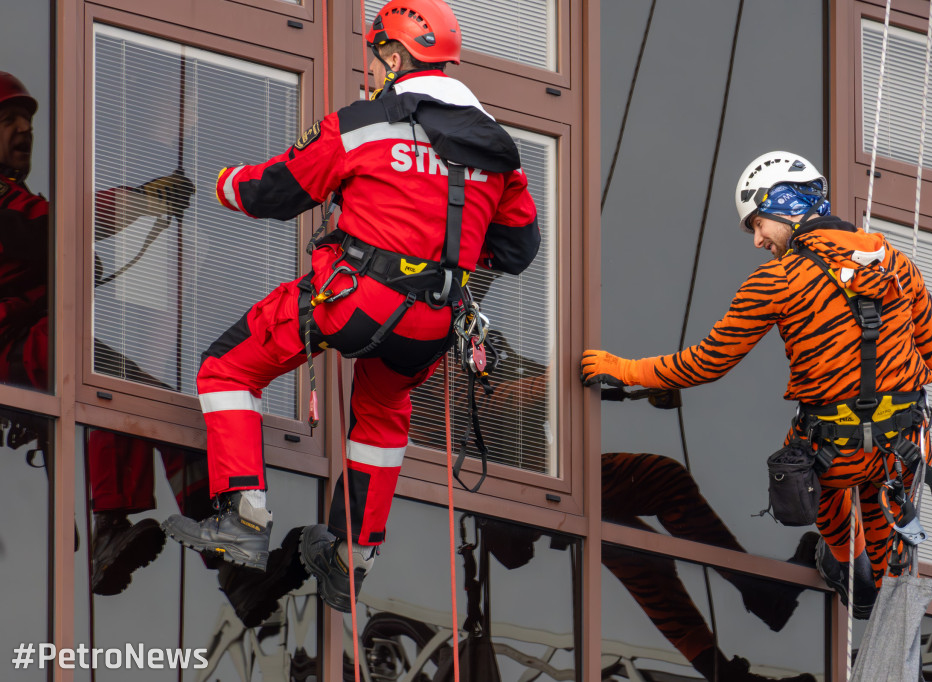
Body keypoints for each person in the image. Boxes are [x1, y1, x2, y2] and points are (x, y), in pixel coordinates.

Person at [161, 0, 540, 614]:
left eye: (376, 56)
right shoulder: (498, 153)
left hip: (352, 299)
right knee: (385, 413)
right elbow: (518, 249)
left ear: (394, 55)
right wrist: (441, 260)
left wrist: (224, 180)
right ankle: (351, 556)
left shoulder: (365, 123)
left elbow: (275, 193)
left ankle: (244, 515)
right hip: (432, 325)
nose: (372, 69)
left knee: (226, 368)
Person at [581, 151, 932, 619]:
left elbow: (706, 363)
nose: (757, 240)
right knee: (879, 494)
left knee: (821, 480)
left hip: (835, 454)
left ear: (787, 206)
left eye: (757, 223)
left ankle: (848, 565)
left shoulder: (778, 279)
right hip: (905, 447)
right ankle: (877, 581)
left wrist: (624, 368)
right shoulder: (898, 264)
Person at [0, 71, 196, 594]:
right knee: (105, 379)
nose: (24, 130)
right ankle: (113, 525)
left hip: (28, 342)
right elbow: (49, 228)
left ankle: (217, 534)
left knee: (154, 402)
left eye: (28, 120)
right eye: (8, 120)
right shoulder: (6, 205)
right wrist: (141, 200)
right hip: (10, 348)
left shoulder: (15, 202)